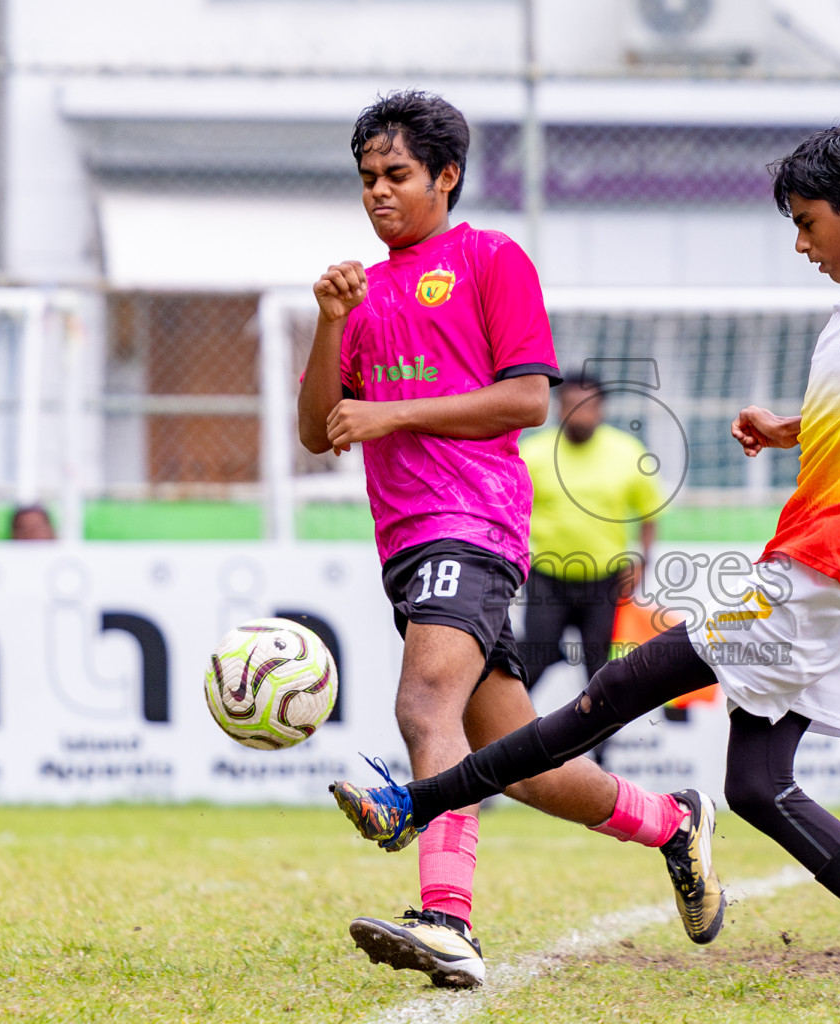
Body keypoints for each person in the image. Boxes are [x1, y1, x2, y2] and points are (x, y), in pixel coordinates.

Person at [330, 47, 840, 1006]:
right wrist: (788, 426)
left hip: (835, 562)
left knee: (617, 688)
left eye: (806, 226)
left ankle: (410, 805)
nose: (801, 246)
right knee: (759, 787)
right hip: (825, 566)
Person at [298, 91, 723, 991]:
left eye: (397, 175)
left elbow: (530, 398)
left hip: (475, 523)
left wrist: (392, 413)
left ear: (445, 177)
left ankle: (447, 920)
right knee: (523, 767)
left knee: (424, 711)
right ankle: (674, 822)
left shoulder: (490, 259)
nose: (378, 192)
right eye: (367, 178)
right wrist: (332, 320)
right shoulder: (364, 292)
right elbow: (318, 431)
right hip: (406, 545)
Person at [519, 372, 661, 747]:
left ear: (601, 410)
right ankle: (506, 749)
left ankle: (601, 762)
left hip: (603, 580)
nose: (580, 415)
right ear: (558, 408)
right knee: (529, 664)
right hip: (547, 576)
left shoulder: (627, 452)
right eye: (570, 406)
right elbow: (511, 510)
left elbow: (649, 515)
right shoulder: (532, 453)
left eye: (588, 407)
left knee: (600, 674)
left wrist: (642, 563)